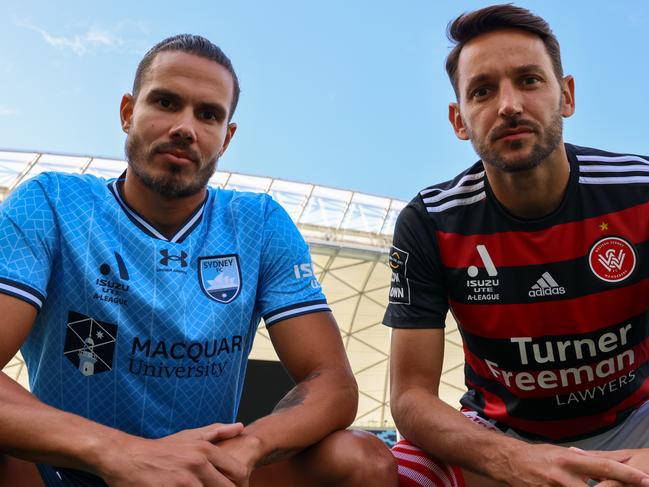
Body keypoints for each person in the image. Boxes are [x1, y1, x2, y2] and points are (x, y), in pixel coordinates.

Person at [0, 34, 397, 487]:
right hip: (66, 472)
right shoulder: (50, 204)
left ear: (226, 137)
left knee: (362, 459)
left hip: (207, 476)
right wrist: (121, 453)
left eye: (208, 114)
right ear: (128, 113)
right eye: (166, 102)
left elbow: (334, 383)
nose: (185, 127)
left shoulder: (259, 223)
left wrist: (247, 449)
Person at [384, 4, 649, 487]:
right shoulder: (430, 222)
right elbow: (410, 397)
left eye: (529, 80)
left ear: (566, 95)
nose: (508, 105)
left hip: (637, 426)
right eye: (482, 91)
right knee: (366, 466)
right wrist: (512, 459)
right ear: (459, 119)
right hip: (498, 437)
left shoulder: (641, 191)